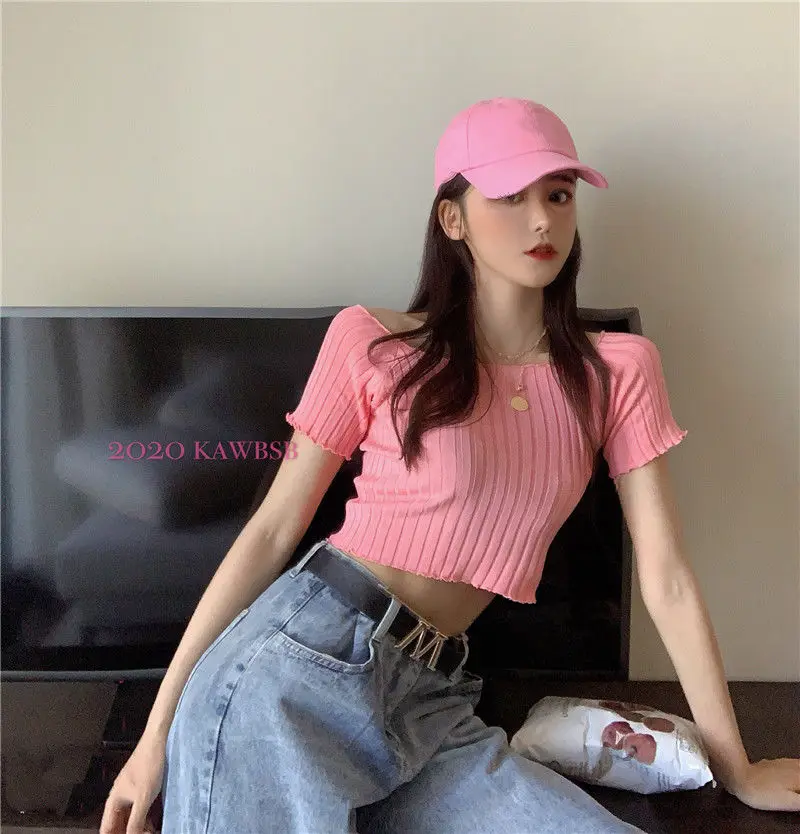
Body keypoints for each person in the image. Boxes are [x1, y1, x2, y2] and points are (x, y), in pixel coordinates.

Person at [99, 97, 800, 834]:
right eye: (509, 196)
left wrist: (737, 769)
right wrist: (154, 738)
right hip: (295, 675)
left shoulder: (617, 372)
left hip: (432, 699)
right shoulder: (372, 345)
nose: (542, 220)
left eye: (559, 195)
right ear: (452, 218)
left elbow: (668, 579)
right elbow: (271, 532)